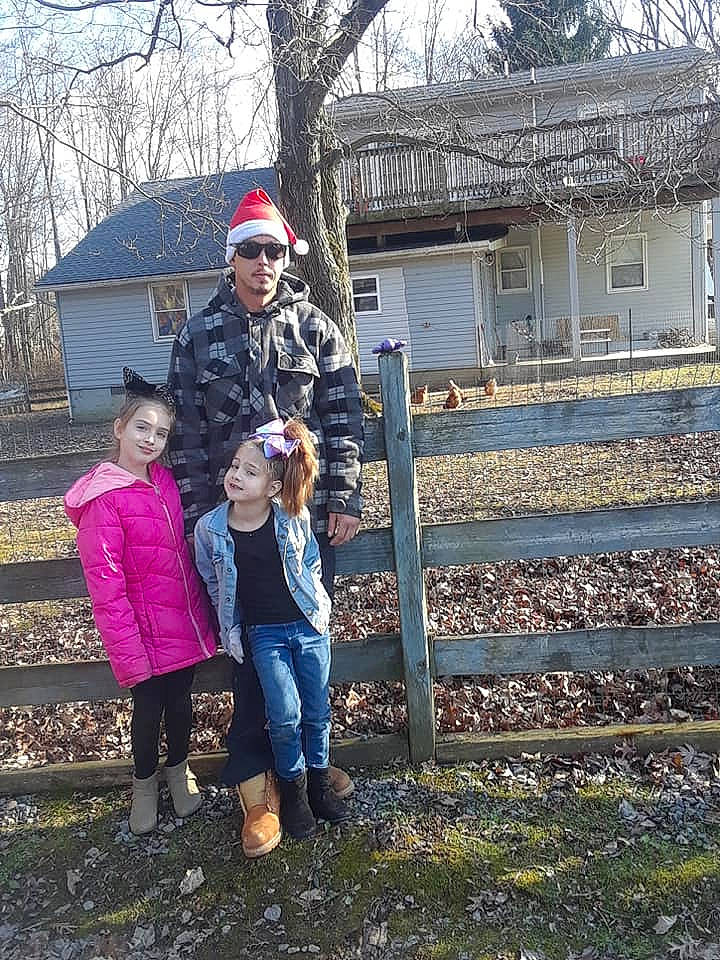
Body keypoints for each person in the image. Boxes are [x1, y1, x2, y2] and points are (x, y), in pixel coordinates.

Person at [167, 187, 363, 857]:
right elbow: (187, 436)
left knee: (306, 652)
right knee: (251, 661)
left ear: (286, 254)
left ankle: (306, 770)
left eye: (272, 249)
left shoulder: (316, 329)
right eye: (249, 250)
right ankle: (258, 791)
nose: (262, 262)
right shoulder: (197, 334)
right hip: (233, 535)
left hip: (302, 531)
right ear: (232, 258)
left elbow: (343, 419)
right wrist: (202, 523)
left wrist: (343, 498)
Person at [64, 368, 217, 836]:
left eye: (161, 433)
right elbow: (105, 588)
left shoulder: (168, 483)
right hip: (142, 634)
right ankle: (144, 783)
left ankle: (179, 770)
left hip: (184, 621)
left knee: (181, 703)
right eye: (142, 428)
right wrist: (127, 653)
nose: (151, 439)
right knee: (148, 711)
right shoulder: (102, 499)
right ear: (120, 429)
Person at [195, 418, 351, 842]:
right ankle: (292, 792)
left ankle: (318, 785)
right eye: (235, 466)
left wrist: (320, 604)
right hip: (264, 634)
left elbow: (311, 562)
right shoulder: (210, 528)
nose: (236, 475)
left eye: (250, 471)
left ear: (272, 487)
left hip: (308, 627)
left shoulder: (291, 516)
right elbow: (213, 580)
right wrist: (228, 627)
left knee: (317, 710)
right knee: (283, 715)